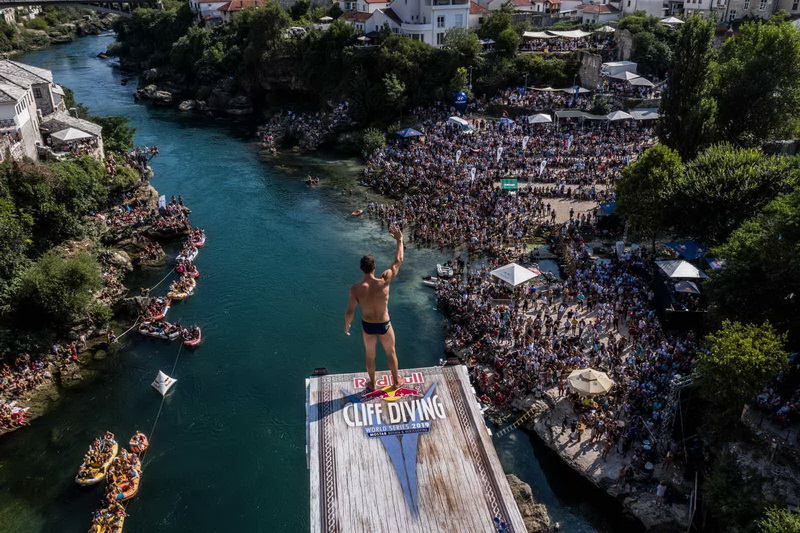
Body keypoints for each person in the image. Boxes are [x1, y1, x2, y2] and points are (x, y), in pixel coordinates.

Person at [344, 225, 404, 392]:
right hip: (384, 323)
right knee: (391, 353)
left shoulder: (355, 288)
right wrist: (399, 240)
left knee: (370, 356)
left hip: (368, 325)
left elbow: (350, 311)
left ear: (361, 268)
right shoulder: (384, 281)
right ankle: (396, 381)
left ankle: (372, 383)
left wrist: (347, 325)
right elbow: (398, 261)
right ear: (374, 267)